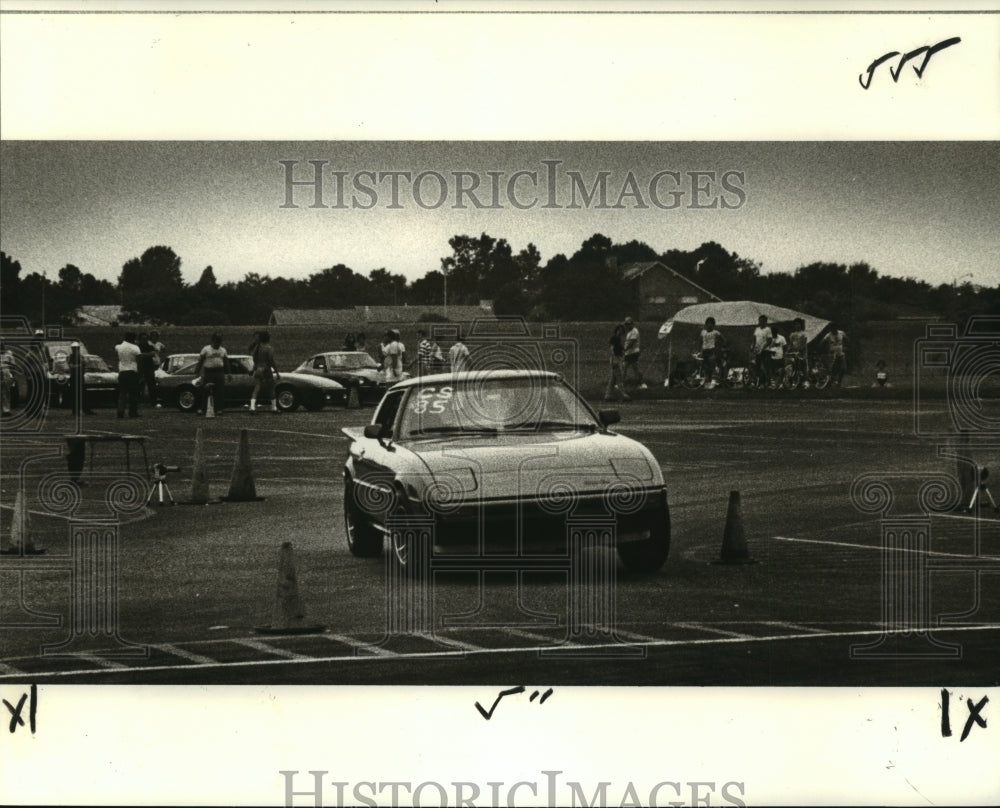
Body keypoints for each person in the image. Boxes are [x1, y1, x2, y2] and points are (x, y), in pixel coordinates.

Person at [195, 332, 228, 415]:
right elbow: (200, 361)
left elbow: (226, 362)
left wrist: (229, 373)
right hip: (209, 372)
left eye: (219, 341)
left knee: (219, 391)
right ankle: (203, 409)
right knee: (206, 390)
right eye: (216, 341)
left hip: (219, 372)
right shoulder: (206, 349)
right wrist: (197, 371)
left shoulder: (223, 350)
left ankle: (219, 409)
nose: (218, 343)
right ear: (212, 340)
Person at [248, 331, 281, 413]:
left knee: (257, 389)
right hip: (266, 370)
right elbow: (271, 361)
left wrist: (254, 369)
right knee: (271, 389)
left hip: (258, 370)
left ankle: (252, 407)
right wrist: (277, 372)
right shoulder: (269, 348)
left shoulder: (257, 348)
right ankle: (274, 408)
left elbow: (254, 359)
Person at [115, 331, 142, 418]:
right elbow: (139, 361)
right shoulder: (135, 348)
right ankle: (132, 412)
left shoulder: (119, 347)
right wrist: (140, 373)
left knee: (122, 393)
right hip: (132, 371)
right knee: (133, 393)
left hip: (122, 371)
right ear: (133, 339)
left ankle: (120, 411)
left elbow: (116, 345)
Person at [698, 317, 727, 389]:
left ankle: (713, 382)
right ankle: (706, 382)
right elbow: (700, 342)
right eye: (708, 324)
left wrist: (720, 346)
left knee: (712, 366)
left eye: (711, 324)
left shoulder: (716, 332)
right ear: (706, 324)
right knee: (705, 367)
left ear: (713, 325)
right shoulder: (703, 332)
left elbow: (724, 340)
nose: (709, 326)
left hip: (712, 351)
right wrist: (700, 351)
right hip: (704, 351)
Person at [604, 321, 630, 401]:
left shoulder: (617, 339)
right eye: (619, 330)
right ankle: (624, 394)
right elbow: (612, 350)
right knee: (619, 378)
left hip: (616, 359)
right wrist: (614, 359)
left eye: (621, 330)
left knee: (613, 379)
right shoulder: (615, 339)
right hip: (615, 359)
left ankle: (608, 395)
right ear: (617, 330)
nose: (620, 332)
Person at [68, 341, 94, 415]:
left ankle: (86, 409)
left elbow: (85, 364)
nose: (76, 350)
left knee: (83, 394)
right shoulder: (71, 357)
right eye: (75, 348)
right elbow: (71, 366)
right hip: (74, 377)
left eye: (77, 348)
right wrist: (80, 365)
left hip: (80, 377)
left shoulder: (81, 357)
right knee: (75, 394)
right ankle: (75, 411)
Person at [621, 316, 647, 389]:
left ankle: (642, 383)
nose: (627, 325)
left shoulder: (634, 331)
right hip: (629, 353)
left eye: (629, 324)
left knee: (634, 369)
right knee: (625, 368)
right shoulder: (630, 332)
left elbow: (631, 343)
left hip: (633, 353)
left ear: (632, 324)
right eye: (626, 324)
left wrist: (624, 350)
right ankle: (622, 383)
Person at [136, 332, 158, 406]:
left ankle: (153, 402)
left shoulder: (149, 346)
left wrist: (142, 355)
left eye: (145, 339)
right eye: (143, 339)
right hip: (140, 367)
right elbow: (149, 354)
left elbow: (153, 354)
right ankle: (137, 402)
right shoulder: (137, 347)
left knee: (152, 385)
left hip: (149, 368)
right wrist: (147, 355)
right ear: (140, 339)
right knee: (138, 385)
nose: (144, 340)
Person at [750, 315, 772, 383]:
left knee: (765, 366)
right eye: (760, 321)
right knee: (757, 366)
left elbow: (769, 340)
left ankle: (768, 382)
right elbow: (754, 339)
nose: (761, 322)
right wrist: (752, 346)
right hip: (757, 350)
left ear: (766, 321)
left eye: (763, 321)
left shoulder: (768, 329)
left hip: (765, 351)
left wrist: (763, 348)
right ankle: (759, 382)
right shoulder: (757, 329)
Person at [786, 318, 809, 383]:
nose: (797, 326)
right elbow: (790, 344)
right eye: (795, 324)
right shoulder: (792, 334)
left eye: (798, 324)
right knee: (794, 365)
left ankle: (806, 381)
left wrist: (800, 350)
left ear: (801, 325)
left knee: (803, 366)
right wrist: (788, 350)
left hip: (802, 352)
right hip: (794, 352)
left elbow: (804, 344)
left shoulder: (803, 334)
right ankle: (795, 380)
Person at [1, 340, 15, 417]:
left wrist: (12, 376)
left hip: (6, 375)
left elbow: (13, 366)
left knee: (6, 392)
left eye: (2, 343)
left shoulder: (8, 354)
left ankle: (6, 410)